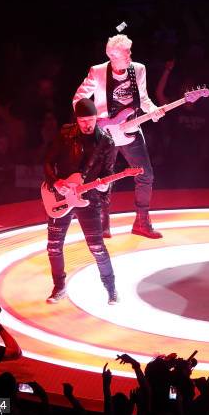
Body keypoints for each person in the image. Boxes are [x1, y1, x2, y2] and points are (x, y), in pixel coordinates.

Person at [73, 34, 165, 239]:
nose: (130, 55)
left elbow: (143, 98)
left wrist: (154, 110)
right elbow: (79, 100)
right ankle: (103, 224)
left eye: (130, 52)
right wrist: (96, 122)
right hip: (106, 133)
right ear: (113, 56)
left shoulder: (138, 69)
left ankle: (142, 222)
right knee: (104, 178)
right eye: (126, 53)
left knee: (145, 175)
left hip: (131, 129)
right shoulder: (97, 72)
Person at [43, 98, 118, 304]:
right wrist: (56, 182)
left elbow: (108, 173)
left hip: (88, 198)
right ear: (76, 120)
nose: (88, 125)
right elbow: (48, 161)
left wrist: (105, 186)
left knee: (97, 247)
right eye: (83, 121)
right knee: (53, 246)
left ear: (97, 118)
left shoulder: (106, 142)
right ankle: (59, 287)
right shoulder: (66, 135)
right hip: (62, 196)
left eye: (91, 120)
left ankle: (111, 289)